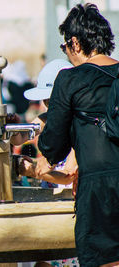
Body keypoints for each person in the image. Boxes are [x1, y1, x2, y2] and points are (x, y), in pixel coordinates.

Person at [36, 4, 119, 266]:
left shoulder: (70, 80)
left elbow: (53, 146)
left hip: (98, 188)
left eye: (64, 48)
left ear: (75, 43)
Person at [11, 59, 78, 188]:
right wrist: (14, 127)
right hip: (50, 193)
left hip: (67, 199)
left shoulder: (79, 127)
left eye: (50, 100)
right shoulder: (47, 119)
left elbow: (67, 177)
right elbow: (19, 139)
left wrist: (31, 170)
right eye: (45, 100)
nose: (47, 105)